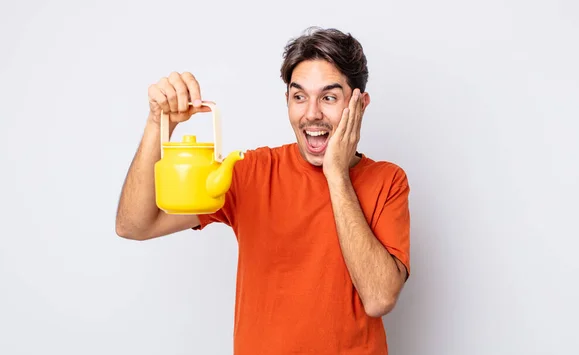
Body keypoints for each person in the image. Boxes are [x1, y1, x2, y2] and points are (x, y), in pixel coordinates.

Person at [116, 27, 411, 355]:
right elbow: (134, 225)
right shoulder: (249, 173)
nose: (312, 113)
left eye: (329, 97)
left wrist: (337, 175)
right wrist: (158, 124)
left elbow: (379, 297)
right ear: (287, 100)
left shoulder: (388, 181)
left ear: (360, 104)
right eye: (299, 96)